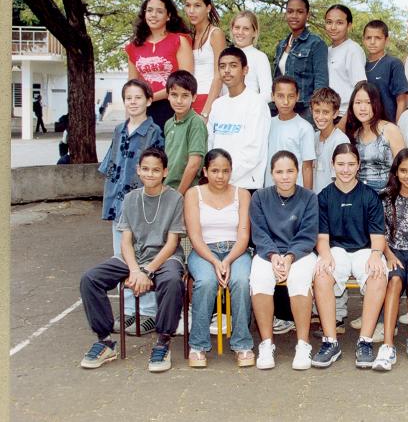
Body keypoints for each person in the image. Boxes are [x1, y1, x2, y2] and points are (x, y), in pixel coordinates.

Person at [79, 148, 185, 372]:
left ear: (165, 172)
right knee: (91, 279)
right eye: (145, 169)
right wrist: (136, 270)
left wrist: (148, 271)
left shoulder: (175, 198)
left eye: (155, 170)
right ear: (138, 170)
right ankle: (105, 341)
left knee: (172, 281)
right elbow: (125, 241)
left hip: (165, 257)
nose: (150, 174)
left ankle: (163, 342)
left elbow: (172, 243)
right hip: (133, 258)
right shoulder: (130, 198)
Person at [311, 143, 387, 369]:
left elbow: (378, 236)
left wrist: (376, 255)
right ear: (332, 165)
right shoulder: (324, 196)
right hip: (336, 250)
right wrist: (325, 255)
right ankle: (330, 342)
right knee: (321, 274)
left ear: (359, 165)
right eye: (341, 164)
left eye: (351, 164)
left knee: (378, 274)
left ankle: (365, 341)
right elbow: (322, 237)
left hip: (364, 250)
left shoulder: (369, 195)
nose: (346, 169)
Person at [99, 79, 164, 335]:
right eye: (129, 98)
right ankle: (128, 309)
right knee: (122, 257)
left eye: (138, 97)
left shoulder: (154, 132)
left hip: (143, 205)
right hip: (119, 204)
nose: (133, 102)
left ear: (149, 100)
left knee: (144, 255)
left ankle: (147, 311)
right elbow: (110, 166)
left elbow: (157, 170)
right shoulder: (118, 130)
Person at [249, 151, 319, 370]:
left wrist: (289, 257)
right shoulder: (259, 197)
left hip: (301, 253)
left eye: (290, 171)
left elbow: (308, 234)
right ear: (272, 174)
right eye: (279, 172)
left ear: (298, 172)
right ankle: (266, 343)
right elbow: (259, 232)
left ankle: (303, 344)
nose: (285, 176)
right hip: (268, 253)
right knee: (259, 277)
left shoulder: (309, 197)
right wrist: (273, 255)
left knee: (299, 278)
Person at [185, 149, 254, 368]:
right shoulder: (193, 194)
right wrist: (215, 261)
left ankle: (242, 344)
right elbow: (195, 236)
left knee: (241, 281)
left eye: (225, 171)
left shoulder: (243, 194)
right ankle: (198, 345)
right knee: (206, 281)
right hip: (204, 251)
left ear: (231, 171)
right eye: (215, 171)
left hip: (236, 251)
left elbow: (244, 236)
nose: (220, 176)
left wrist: (228, 260)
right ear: (205, 171)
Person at [372, 149, 408, 371]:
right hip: (392, 251)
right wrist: (388, 255)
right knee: (394, 281)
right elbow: (379, 232)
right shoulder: (385, 197)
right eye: (403, 170)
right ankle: (388, 344)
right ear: (395, 172)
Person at [126, 0, 193, 133]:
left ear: (168, 16)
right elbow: (131, 86)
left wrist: (149, 97)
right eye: (149, 10)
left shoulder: (179, 41)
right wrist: (128, 121)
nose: (153, 15)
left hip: (172, 108)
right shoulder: (133, 47)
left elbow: (186, 80)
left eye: (159, 11)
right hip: (143, 111)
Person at [206, 47, 271, 190]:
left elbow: (254, 152)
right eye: (222, 66)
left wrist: (225, 176)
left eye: (233, 65)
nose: (227, 70)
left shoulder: (256, 103)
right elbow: (210, 143)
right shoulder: (217, 105)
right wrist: (215, 176)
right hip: (217, 184)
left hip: (245, 185)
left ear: (245, 70)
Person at [273, 0, 328, 123]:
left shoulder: (316, 43)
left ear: (307, 15)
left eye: (300, 12)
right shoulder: (281, 45)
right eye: (290, 11)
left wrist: (315, 112)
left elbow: (321, 83)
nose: (294, 15)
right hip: (283, 109)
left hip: (305, 110)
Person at [344, 81, 405, 193]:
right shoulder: (355, 134)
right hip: (360, 195)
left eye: (368, 102)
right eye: (358, 102)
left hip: (386, 195)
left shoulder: (390, 130)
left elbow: (403, 166)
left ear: (377, 104)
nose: (362, 108)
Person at [264, 76, 316, 189]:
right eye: (280, 96)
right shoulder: (267, 124)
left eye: (291, 96)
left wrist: (307, 197)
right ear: (272, 96)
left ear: (297, 96)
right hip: (270, 190)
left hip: (295, 192)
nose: (286, 102)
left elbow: (307, 167)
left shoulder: (304, 128)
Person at [163, 70, 207, 195]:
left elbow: (194, 163)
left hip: (187, 191)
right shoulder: (168, 123)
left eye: (185, 95)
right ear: (168, 96)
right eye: (174, 95)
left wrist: (179, 194)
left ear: (194, 97)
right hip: (168, 187)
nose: (179, 100)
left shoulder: (196, 122)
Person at [184, 0, 225, 119]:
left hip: (208, 98)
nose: (191, 11)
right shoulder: (188, 36)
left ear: (208, 8)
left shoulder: (215, 34)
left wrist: (206, 112)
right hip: (188, 99)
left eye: (197, 6)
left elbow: (219, 75)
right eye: (188, 5)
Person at [362, 19, 408, 122]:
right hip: (364, 125)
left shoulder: (393, 63)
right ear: (363, 40)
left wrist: (397, 127)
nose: (372, 42)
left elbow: (402, 99)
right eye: (368, 38)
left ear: (386, 40)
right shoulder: (361, 64)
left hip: (387, 124)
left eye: (378, 38)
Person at [324, 4, 367, 117]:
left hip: (345, 115)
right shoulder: (327, 51)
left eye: (339, 23)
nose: (333, 27)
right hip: (328, 114)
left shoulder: (352, 49)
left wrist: (345, 120)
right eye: (329, 22)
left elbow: (360, 88)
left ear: (349, 25)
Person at [311, 87, 350, 194]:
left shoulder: (340, 141)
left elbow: (341, 180)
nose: (320, 117)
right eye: (317, 111)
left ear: (335, 113)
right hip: (314, 199)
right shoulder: (313, 137)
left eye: (326, 112)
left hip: (332, 199)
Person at [230, 10, 273, 102]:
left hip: (250, 108)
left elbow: (268, 93)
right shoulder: (225, 55)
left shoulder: (259, 57)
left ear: (254, 32)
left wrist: (248, 105)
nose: (240, 32)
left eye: (246, 29)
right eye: (237, 27)